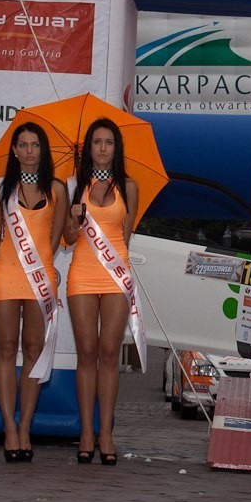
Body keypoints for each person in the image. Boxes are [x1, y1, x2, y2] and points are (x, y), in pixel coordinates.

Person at [0, 122, 67, 463]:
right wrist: (11, 261)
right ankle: (8, 428)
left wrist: (41, 268)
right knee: (6, 349)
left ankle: (25, 429)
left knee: (33, 350)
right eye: (23, 144)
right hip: (6, 274)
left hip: (40, 276)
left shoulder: (58, 189)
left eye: (35, 145)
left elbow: (56, 238)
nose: (29, 150)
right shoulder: (0, 187)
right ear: (15, 150)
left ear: (42, 150)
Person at [63, 118, 139, 466]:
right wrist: (75, 221)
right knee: (87, 352)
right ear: (89, 148)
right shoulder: (74, 186)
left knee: (109, 351)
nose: (103, 148)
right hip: (82, 273)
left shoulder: (129, 186)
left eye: (109, 142)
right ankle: (85, 432)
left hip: (115, 274)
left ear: (116, 148)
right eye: (97, 142)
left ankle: (105, 432)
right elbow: (66, 239)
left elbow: (126, 234)